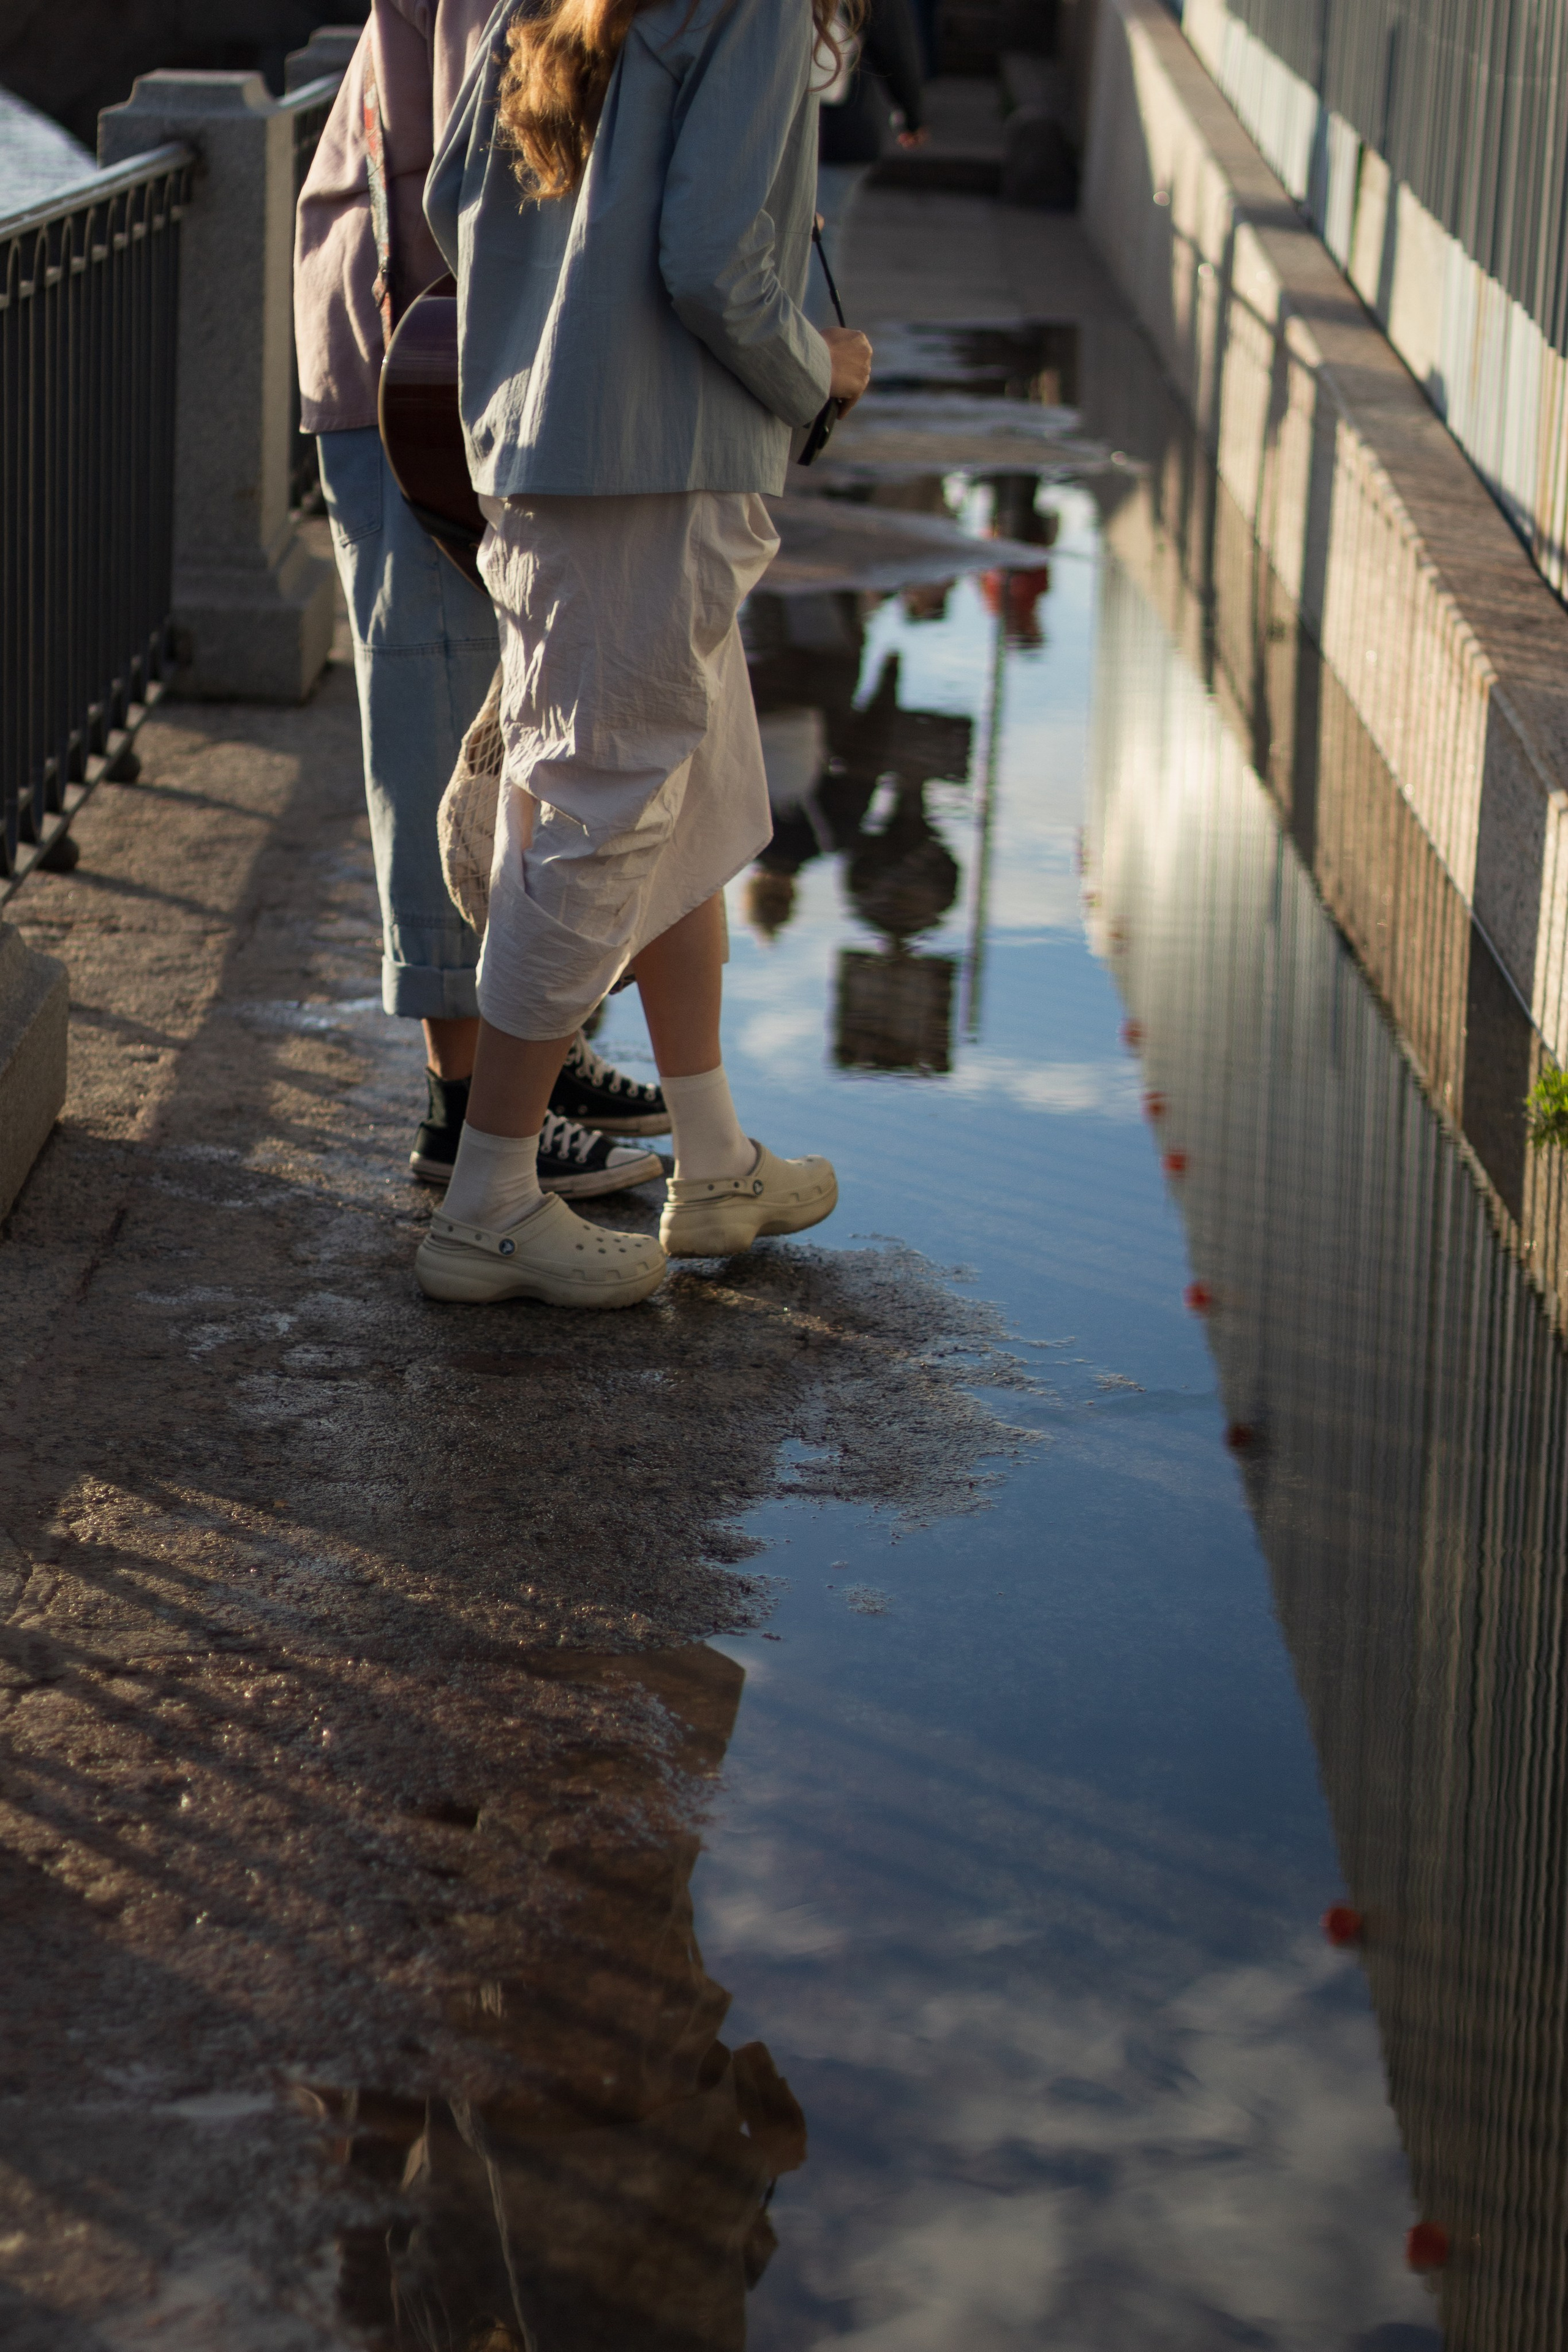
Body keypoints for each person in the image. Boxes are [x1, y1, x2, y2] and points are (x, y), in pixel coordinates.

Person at [415, 0, 874, 1310]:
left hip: (541, 439)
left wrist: (561, 299)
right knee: (599, 811)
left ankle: (713, 1158)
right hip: (659, 461)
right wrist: (817, 366)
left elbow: (457, 193)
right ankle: (489, 1199)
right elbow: (712, 264)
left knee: (690, 792)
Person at [294, 0, 671, 1204]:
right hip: (422, 366)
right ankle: (463, 1108)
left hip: (430, 350)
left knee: (489, 719)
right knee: (441, 718)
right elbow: (492, 164)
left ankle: (530, 1063)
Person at [806, 0, 927, 331]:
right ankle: (805, 346)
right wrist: (913, 115)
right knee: (820, 241)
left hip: (783, 122)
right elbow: (896, 47)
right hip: (845, 125)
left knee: (784, 238)